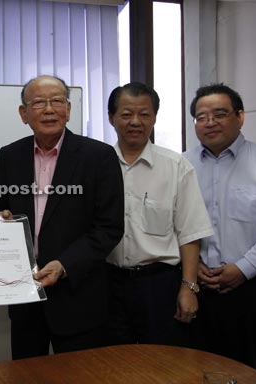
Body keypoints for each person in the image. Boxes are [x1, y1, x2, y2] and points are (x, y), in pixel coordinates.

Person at [0, 75, 124, 359]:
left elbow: (109, 228)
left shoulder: (98, 156)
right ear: (24, 114)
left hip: (79, 297)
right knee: (27, 378)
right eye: (38, 102)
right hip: (24, 297)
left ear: (69, 109)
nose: (49, 109)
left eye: (57, 101)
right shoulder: (9, 156)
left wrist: (64, 265)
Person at [184, 83, 256, 378]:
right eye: (201, 117)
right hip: (201, 287)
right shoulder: (183, 165)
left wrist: (243, 269)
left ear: (240, 116)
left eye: (220, 114)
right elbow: (177, 225)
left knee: (255, 369)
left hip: (255, 289)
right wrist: (196, 268)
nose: (210, 122)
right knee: (199, 369)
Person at [105, 82, 213, 347]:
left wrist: (189, 288)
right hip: (107, 283)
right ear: (112, 118)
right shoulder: (96, 164)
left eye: (144, 114)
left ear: (154, 118)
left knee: (165, 362)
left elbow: (190, 232)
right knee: (111, 363)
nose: (135, 122)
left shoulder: (176, 166)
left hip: (159, 285)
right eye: (126, 114)